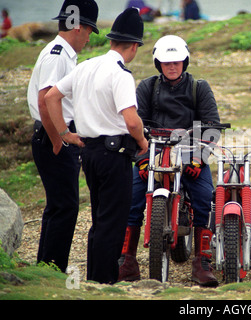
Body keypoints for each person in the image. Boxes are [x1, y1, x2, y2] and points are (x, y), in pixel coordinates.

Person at [45, 7, 148, 284]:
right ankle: (104, 283)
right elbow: (132, 121)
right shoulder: (120, 74)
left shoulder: (86, 66)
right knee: (112, 223)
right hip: (115, 155)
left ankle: (95, 279)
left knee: (100, 219)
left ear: (112, 40)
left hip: (88, 152)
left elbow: (51, 97)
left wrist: (65, 133)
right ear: (135, 46)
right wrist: (142, 142)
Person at [118, 35, 220, 287]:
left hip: (190, 153)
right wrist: (141, 159)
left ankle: (202, 261)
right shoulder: (147, 87)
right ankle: (126, 261)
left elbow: (212, 127)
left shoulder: (200, 87)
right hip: (152, 151)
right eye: (166, 62)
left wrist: (199, 158)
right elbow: (134, 127)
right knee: (129, 199)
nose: (172, 66)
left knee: (206, 198)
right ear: (157, 64)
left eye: (176, 62)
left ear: (184, 62)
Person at [26, 0, 99, 273]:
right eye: (90, 30)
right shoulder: (58, 54)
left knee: (58, 206)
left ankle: (46, 266)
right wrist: (60, 137)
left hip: (52, 136)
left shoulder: (62, 53)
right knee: (65, 207)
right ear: (78, 27)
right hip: (53, 138)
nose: (90, 37)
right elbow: (45, 101)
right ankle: (53, 269)